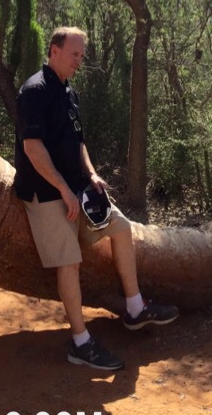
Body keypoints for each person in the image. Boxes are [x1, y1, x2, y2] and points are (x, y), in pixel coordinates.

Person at [14, 26, 178, 372]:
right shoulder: (35, 90)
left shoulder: (68, 91)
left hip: (79, 189)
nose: (80, 60)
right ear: (54, 50)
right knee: (69, 263)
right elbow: (32, 148)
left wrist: (90, 173)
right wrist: (61, 188)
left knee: (121, 227)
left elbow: (78, 143)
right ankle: (80, 343)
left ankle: (135, 308)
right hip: (46, 193)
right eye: (75, 54)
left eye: (82, 55)